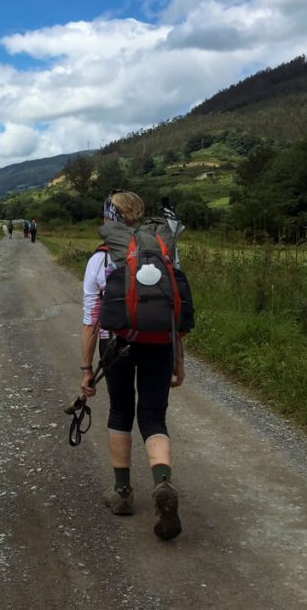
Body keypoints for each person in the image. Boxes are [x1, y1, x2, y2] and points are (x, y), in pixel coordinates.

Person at [80, 191, 185, 540]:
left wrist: (86, 369)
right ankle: (162, 481)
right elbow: (174, 308)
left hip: (116, 342)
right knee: (154, 415)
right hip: (160, 343)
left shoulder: (101, 258)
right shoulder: (164, 250)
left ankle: (122, 492)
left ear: (110, 216)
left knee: (121, 410)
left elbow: (92, 319)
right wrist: (178, 358)